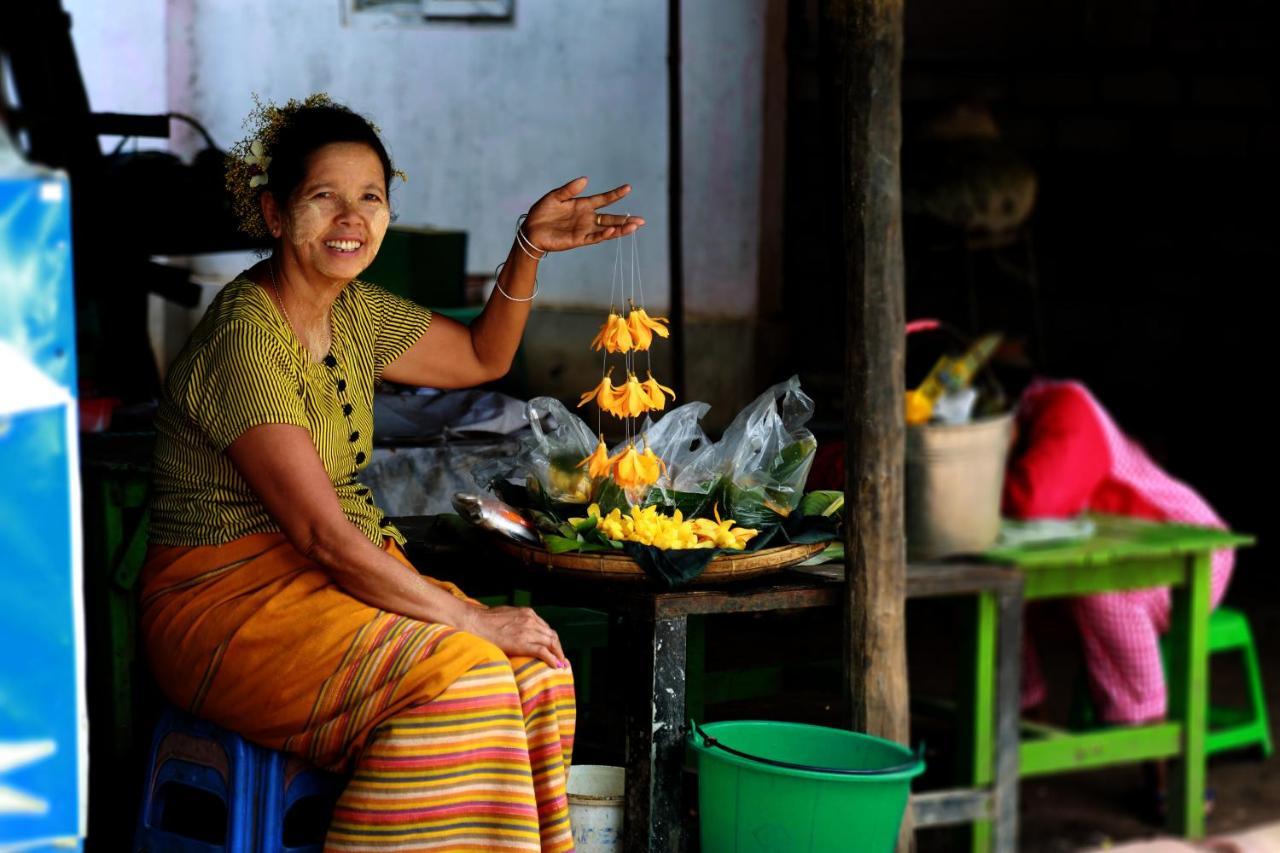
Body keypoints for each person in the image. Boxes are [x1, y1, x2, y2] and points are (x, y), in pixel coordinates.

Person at [141, 94, 644, 851]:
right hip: (224, 606)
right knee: (470, 673)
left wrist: (528, 249)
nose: (351, 217)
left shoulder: (356, 312)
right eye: (324, 197)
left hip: (327, 580)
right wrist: (472, 616)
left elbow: (483, 358)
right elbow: (321, 535)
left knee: (534, 666)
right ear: (275, 214)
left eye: (370, 198)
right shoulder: (246, 335)